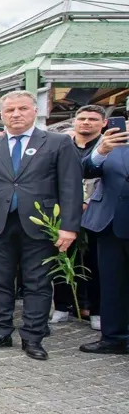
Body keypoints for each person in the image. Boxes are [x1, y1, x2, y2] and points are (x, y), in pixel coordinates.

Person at [0, 91, 82, 360]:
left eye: (22, 109)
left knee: (38, 283)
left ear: (34, 111)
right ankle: (0, 331)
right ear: (2, 114)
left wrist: (69, 227)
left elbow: (70, 186)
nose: (16, 114)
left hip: (40, 224)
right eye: (10, 110)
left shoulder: (57, 143)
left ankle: (33, 336)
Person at [78, 122, 129, 354]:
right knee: (112, 284)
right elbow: (85, 169)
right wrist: (101, 151)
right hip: (109, 223)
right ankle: (113, 337)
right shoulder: (112, 140)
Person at [54, 104, 106, 327]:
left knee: (95, 263)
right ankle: (61, 306)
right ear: (74, 121)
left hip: (97, 213)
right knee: (62, 259)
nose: (86, 122)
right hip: (64, 212)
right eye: (82, 118)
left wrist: (86, 201)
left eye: (93, 119)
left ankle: (97, 311)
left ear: (103, 123)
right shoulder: (63, 145)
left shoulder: (109, 145)